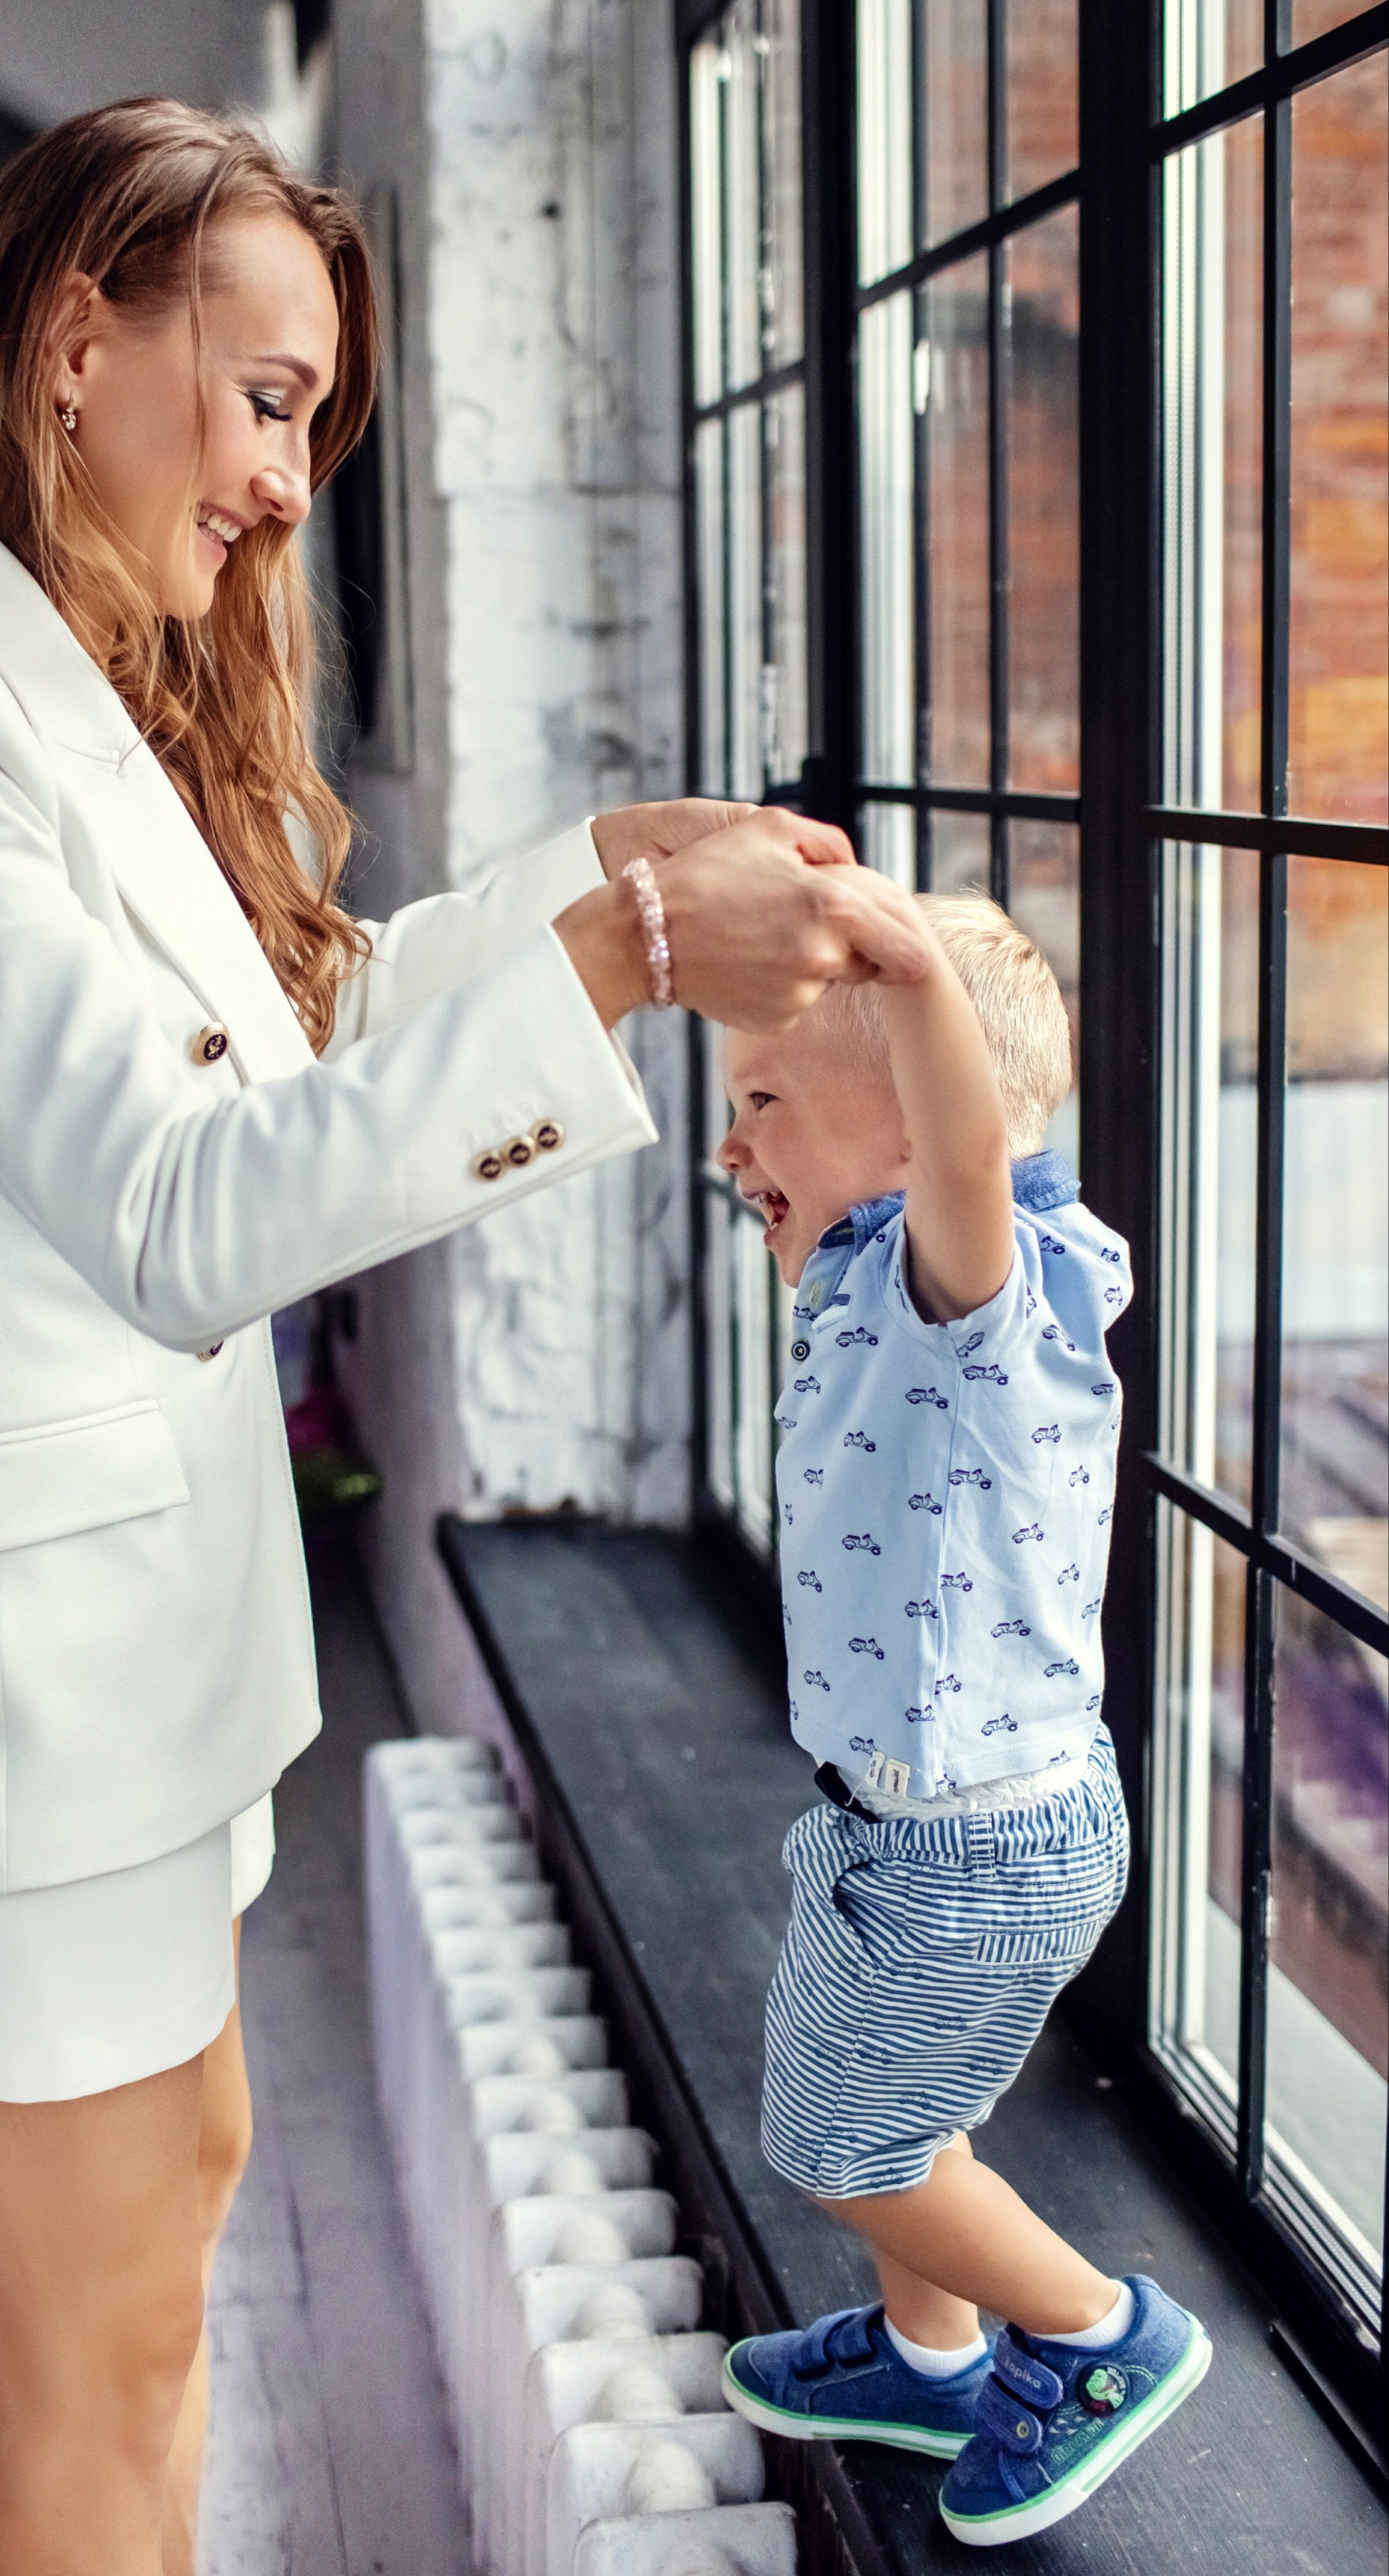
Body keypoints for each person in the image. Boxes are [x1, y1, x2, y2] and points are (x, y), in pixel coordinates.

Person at [0, 94, 926, 2576]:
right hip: (4, 1694)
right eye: (268, 400)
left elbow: (316, 1011)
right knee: (100, 2361)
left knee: (175, 2238)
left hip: (126, 1664)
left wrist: (607, 876)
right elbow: (184, 1205)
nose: (289, 482)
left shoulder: (69, 676)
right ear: (80, 340)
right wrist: (617, 968)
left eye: (311, 423)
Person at [713, 893, 1211, 2549]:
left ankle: (1090, 2339)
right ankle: (930, 2360)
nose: (734, 1136)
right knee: (901, 2108)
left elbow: (959, 1151)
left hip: (968, 1839)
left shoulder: (970, 1278)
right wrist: (797, 1185)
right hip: (931, 1817)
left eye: (765, 1099)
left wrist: (909, 966)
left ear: (930, 1130)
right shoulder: (887, 1275)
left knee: (845, 2145)